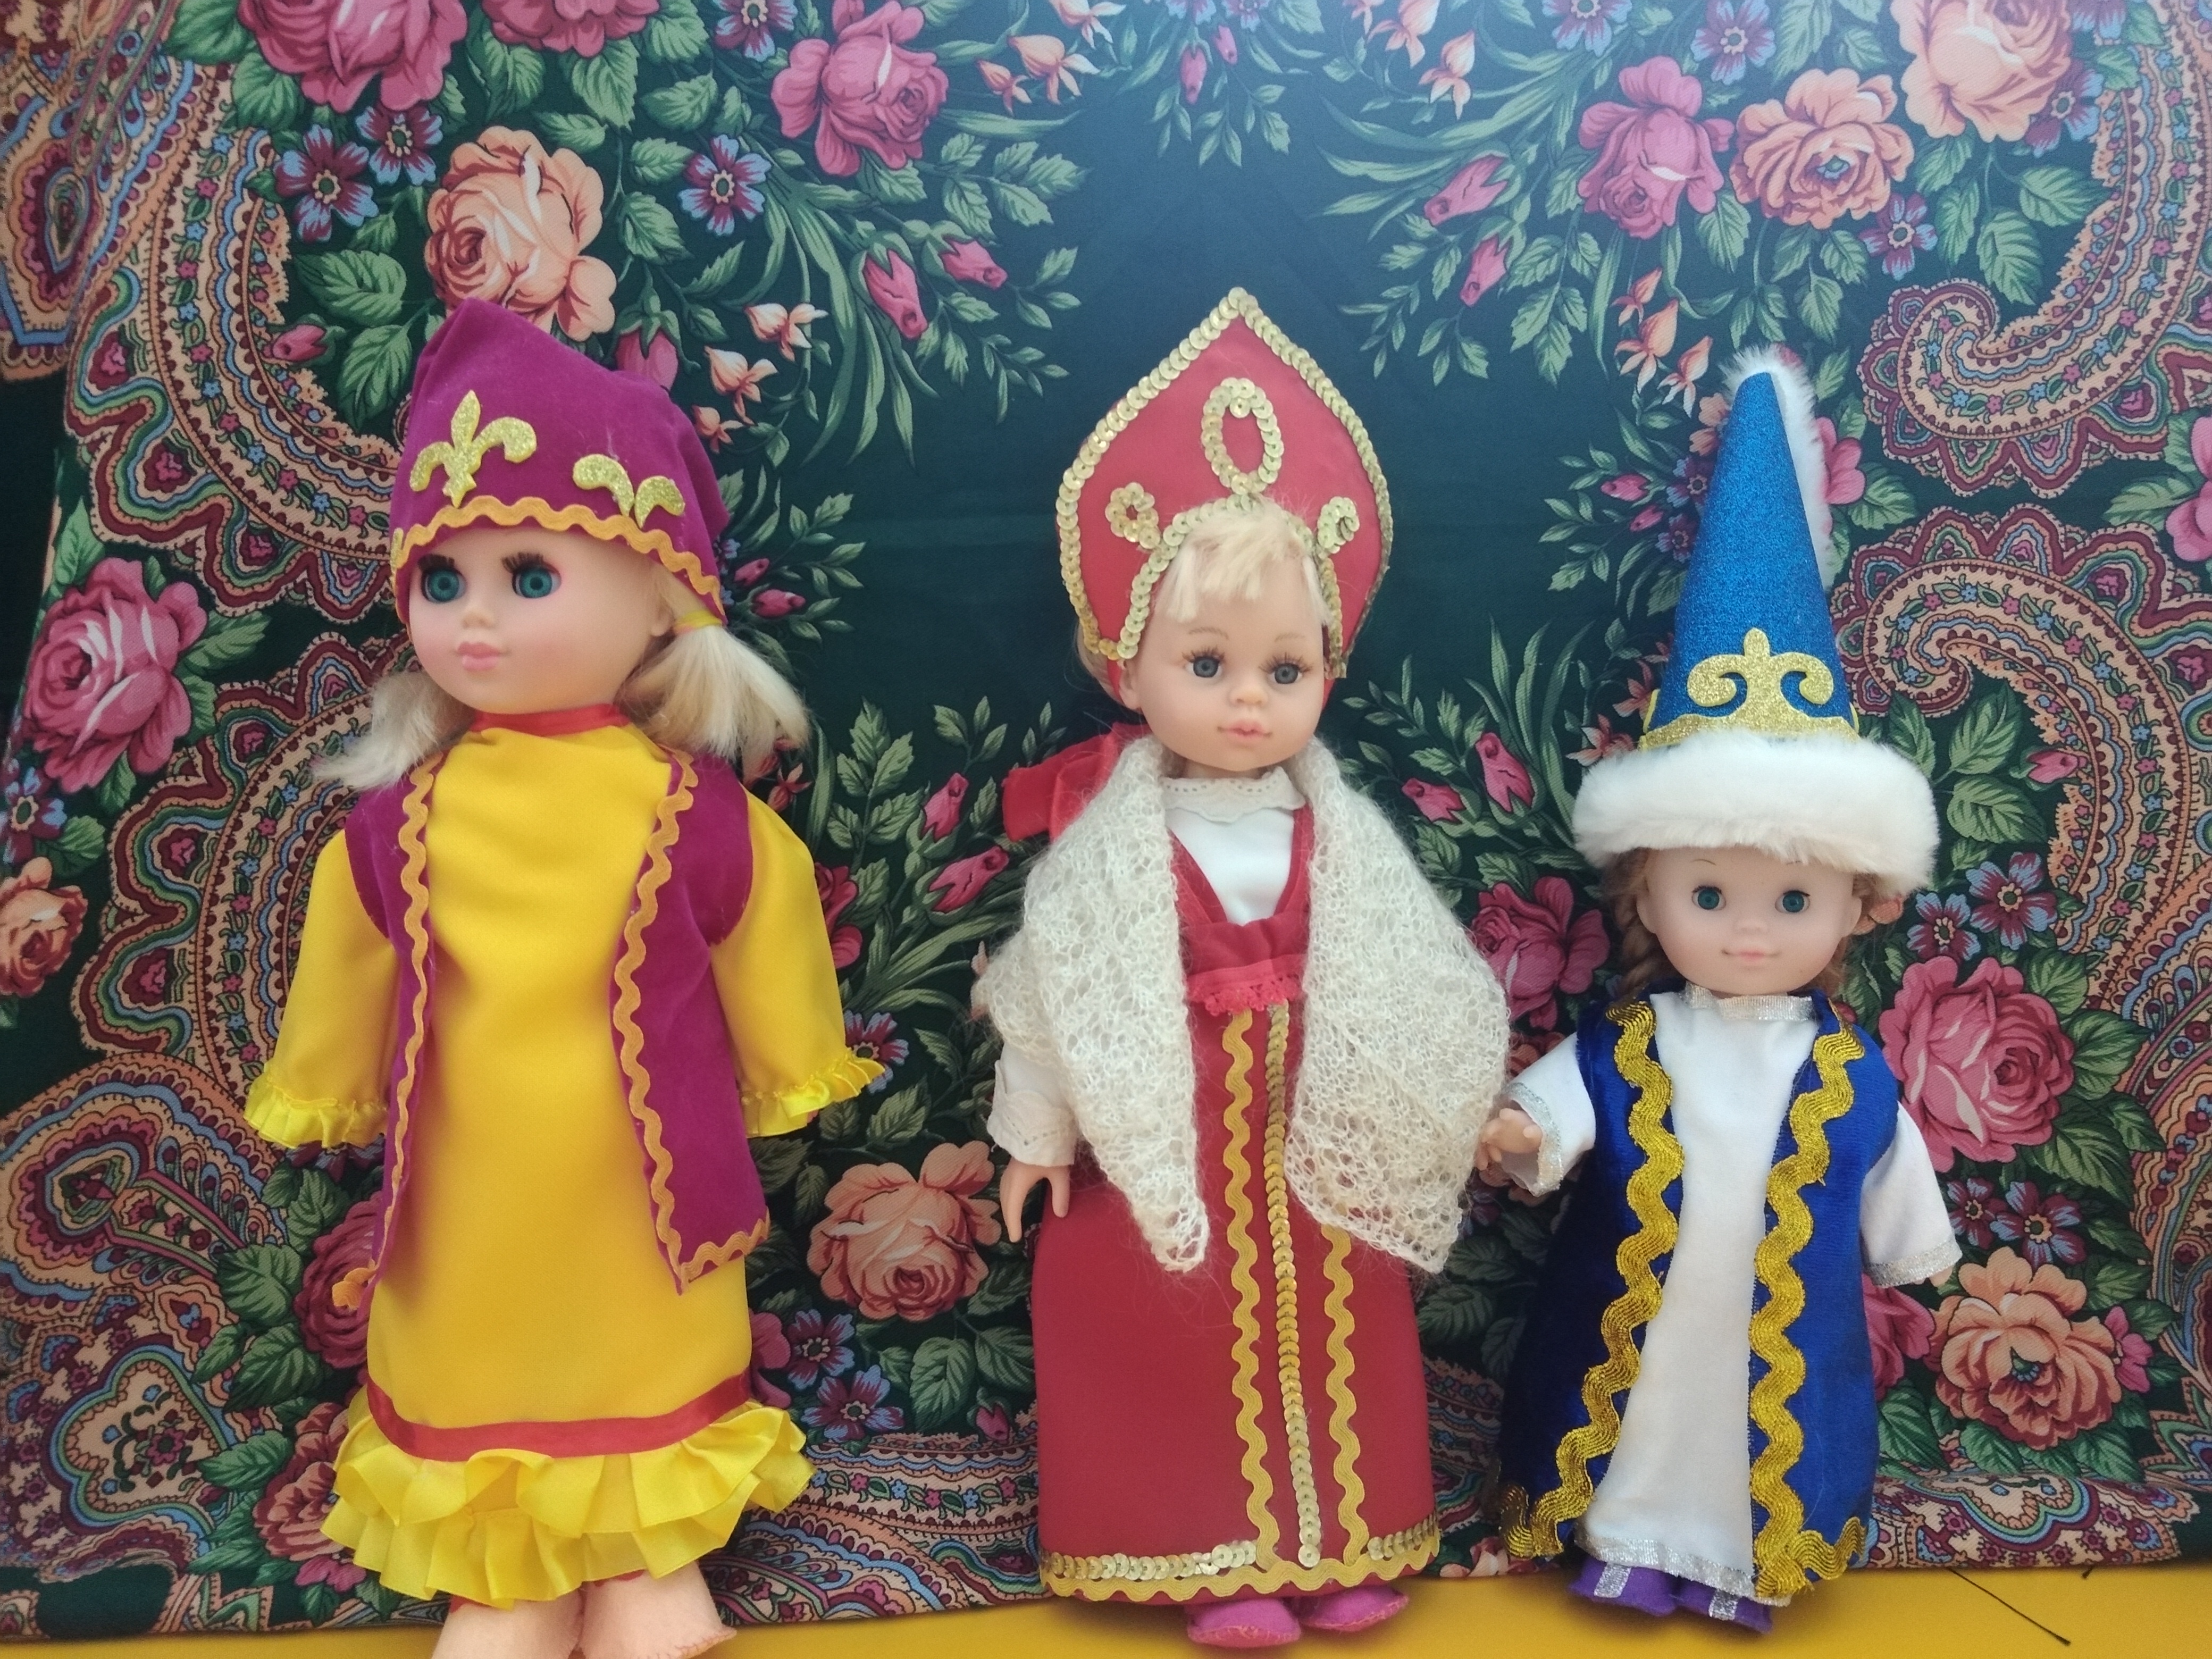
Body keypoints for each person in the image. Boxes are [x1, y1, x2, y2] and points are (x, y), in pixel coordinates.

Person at [245, 299, 879, 1659]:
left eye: (529, 576)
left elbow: (765, 936)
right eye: (442, 580)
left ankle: (643, 1562)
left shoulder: (698, 817)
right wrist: (326, 1086)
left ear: (662, 600)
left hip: (640, 1189)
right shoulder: (395, 828)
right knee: (476, 1351)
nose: (474, 619)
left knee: (646, 1350)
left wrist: (783, 1072)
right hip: (466, 1187)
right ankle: (509, 1572)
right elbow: (348, 967)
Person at [974, 289, 1509, 1649]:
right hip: (1168, 1135)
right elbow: (1055, 998)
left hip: (1314, 1130)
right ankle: (1207, 1558)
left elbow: (1410, 979)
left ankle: (1340, 1546)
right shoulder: (1105, 849)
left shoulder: (1343, 834)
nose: (1249, 699)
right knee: (1175, 1340)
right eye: (1207, 663)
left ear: (1330, 668)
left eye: (1286, 667)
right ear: (1128, 667)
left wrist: (1448, 1106)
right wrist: (1034, 1135)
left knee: (1339, 1334)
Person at [1477, 349, 1959, 1634]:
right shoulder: (1628, 1044)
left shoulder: (1849, 1069)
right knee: (1640, 1406)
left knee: (1764, 1417)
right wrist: (1525, 1136)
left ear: (1858, 905)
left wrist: (1915, 1253)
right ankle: (1626, 1540)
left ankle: (1740, 1560)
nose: (1748, 931)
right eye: (1709, 895)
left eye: (1790, 902)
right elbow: (1561, 1108)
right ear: (1645, 895)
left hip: (1784, 1325)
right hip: (1638, 1310)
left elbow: (1890, 1173)